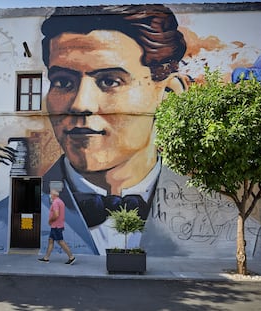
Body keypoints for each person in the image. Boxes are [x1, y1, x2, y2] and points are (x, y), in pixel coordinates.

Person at [40, 5, 190, 255]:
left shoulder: (243, 231)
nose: (80, 105)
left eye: (110, 81)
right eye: (63, 82)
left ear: (168, 94)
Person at [39, 189, 76, 264]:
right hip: (57, 225)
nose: (50, 195)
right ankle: (46, 258)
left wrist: (50, 221)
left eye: (50, 194)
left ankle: (71, 257)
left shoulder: (55, 202)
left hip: (56, 226)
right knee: (51, 240)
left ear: (53, 195)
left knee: (60, 241)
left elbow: (56, 214)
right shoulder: (60, 201)